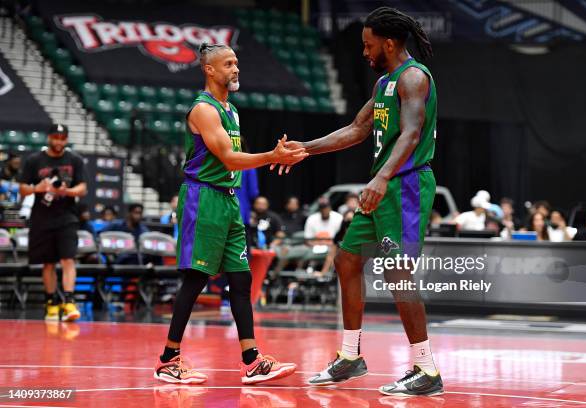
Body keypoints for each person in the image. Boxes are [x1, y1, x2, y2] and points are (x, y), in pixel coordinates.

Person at [272, 7, 443, 396]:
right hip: (384, 186)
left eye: (368, 45)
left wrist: (382, 177)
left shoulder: (413, 77)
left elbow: (412, 133)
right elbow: (356, 129)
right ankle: (350, 357)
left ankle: (427, 369)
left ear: (388, 43)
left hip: (407, 185)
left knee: (398, 272)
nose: (364, 52)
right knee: (347, 260)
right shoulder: (385, 82)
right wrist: (305, 149)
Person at [154, 42, 306, 385]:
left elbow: (238, 160)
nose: (235, 69)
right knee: (195, 279)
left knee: (241, 278)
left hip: (227, 199)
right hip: (203, 198)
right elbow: (229, 158)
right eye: (228, 64)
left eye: (237, 63)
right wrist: (272, 156)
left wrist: (273, 157)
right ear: (209, 70)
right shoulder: (204, 109)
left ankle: (252, 361)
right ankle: (168, 358)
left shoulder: (231, 110)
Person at [17, 124, 87, 322]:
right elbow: (22, 189)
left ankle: (69, 301)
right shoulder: (34, 160)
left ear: (66, 139)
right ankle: (51, 303)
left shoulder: (75, 160)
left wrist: (66, 191)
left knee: (68, 259)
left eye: (62, 138)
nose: (59, 141)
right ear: (49, 137)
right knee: (48, 263)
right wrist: (38, 188)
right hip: (42, 217)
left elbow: (82, 188)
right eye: (55, 137)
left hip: (67, 216)